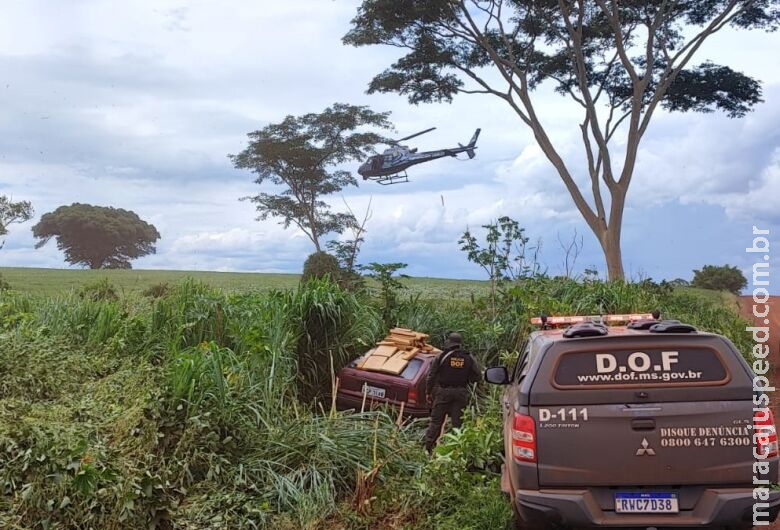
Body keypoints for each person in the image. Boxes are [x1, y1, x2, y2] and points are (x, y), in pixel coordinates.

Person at [424, 332, 482, 453]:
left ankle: (428, 449)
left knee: (435, 422)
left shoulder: (441, 356)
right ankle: (457, 451)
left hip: (443, 393)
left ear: (449, 343)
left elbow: (431, 376)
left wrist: (428, 392)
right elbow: (477, 376)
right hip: (461, 393)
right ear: (460, 344)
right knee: (458, 424)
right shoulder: (468, 357)